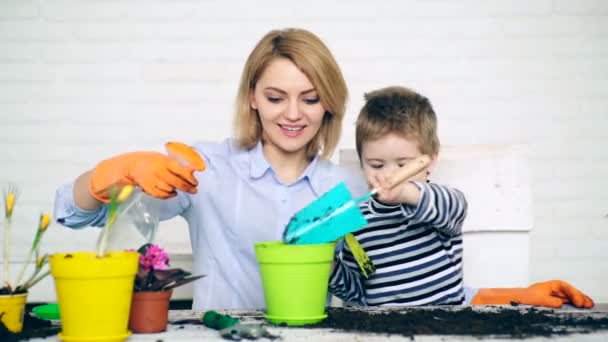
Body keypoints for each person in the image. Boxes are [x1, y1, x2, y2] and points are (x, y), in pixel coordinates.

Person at [53, 28, 368, 310]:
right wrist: (107, 176)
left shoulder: (347, 188)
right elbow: (76, 213)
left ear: (328, 103)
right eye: (276, 98)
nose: (293, 114)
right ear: (252, 97)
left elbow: (367, 287)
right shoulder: (207, 170)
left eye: (310, 99)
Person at [329, 86, 595, 309]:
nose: (389, 175)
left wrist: (406, 192)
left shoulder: (437, 204)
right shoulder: (354, 222)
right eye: (376, 165)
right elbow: (359, 293)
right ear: (362, 163)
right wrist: (328, 266)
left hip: (449, 323)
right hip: (383, 330)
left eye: (403, 165)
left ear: (430, 161)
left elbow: (454, 206)